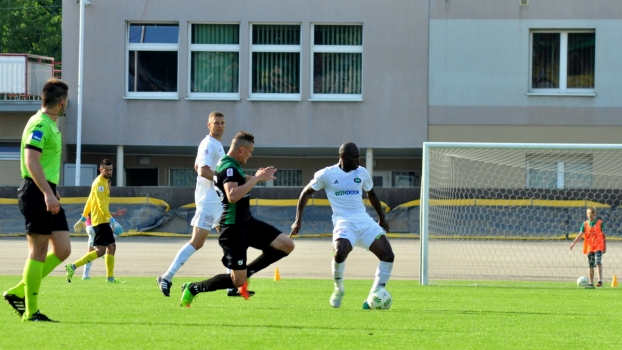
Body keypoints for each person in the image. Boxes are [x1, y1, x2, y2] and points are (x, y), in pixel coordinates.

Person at [179, 131, 295, 307]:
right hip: (233, 230)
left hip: (247, 223)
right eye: (250, 151)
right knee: (237, 281)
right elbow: (232, 195)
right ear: (242, 149)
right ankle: (193, 288)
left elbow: (239, 182)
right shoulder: (230, 167)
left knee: (286, 245)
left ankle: (247, 272)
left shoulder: (232, 166)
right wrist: (256, 178)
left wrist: (257, 177)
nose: (251, 155)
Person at [290, 142, 395, 309]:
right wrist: (298, 219)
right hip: (344, 223)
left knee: (388, 255)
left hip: (365, 222)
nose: (358, 160)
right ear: (343, 157)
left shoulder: (361, 172)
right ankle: (338, 289)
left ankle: (373, 296)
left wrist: (381, 217)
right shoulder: (327, 174)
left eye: (359, 156)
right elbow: (306, 192)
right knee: (338, 253)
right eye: (354, 157)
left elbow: (372, 193)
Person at [156, 112, 250, 298]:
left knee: (230, 240)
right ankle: (166, 277)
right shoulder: (208, 143)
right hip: (209, 202)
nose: (220, 126)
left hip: (219, 202)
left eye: (222, 122)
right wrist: (222, 180)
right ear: (209, 125)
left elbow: (197, 166)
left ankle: (231, 284)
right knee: (197, 242)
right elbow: (202, 170)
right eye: (216, 123)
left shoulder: (217, 146)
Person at [2, 78, 71, 322]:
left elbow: (45, 164)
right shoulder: (39, 124)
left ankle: (19, 291)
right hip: (36, 192)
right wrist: (47, 193)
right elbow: (31, 161)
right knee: (38, 251)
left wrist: (53, 189)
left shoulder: (50, 124)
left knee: (63, 250)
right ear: (61, 103)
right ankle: (31, 312)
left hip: (47, 190)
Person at [66, 159, 124, 283]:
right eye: (106, 170)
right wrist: (112, 220)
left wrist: (83, 218)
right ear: (100, 170)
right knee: (102, 250)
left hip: (102, 221)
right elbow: (101, 205)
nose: (109, 172)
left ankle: (109, 278)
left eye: (111, 170)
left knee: (111, 246)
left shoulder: (104, 182)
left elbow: (89, 201)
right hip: (100, 221)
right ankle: (73, 266)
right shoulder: (99, 184)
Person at [75, 179, 127, 280]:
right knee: (111, 241)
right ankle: (101, 254)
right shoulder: (99, 193)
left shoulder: (100, 194)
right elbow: (98, 211)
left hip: (90, 227)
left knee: (92, 250)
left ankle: (85, 275)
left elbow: (103, 211)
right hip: (94, 226)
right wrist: (113, 221)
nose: (110, 188)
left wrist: (115, 215)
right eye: (109, 186)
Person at [570, 207, 607, 288]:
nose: (592, 216)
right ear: (587, 214)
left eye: (593, 215)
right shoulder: (585, 224)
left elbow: (604, 235)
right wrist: (573, 243)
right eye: (590, 214)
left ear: (596, 214)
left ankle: (600, 281)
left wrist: (605, 246)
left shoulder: (600, 223)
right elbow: (580, 235)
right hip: (590, 247)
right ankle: (590, 282)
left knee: (598, 262)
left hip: (599, 246)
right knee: (591, 265)